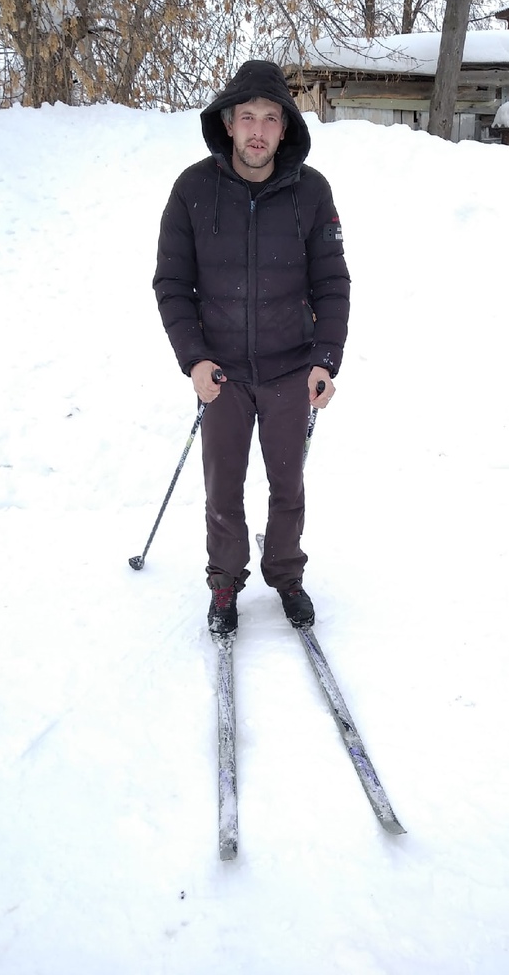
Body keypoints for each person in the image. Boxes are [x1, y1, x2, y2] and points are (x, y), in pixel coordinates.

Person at [153, 60, 350, 636]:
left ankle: (286, 574)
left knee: (288, 485)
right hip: (224, 374)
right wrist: (194, 358)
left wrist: (325, 359)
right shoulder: (192, 190)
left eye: (270, 118)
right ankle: (224, 581)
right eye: (247, 118)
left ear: (285, 127)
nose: (258, 130)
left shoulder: (312, 193)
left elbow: (332, 283)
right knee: (223, 486)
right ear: (229, 124)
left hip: (291, 368)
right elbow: (172, 283)